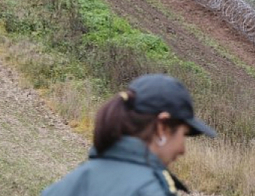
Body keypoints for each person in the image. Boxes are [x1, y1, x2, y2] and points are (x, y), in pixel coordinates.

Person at [42, 74, 216, 196]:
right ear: (162, 127)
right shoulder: (149, 190)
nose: (182, 150)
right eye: (183, 135)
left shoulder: (69, 183)